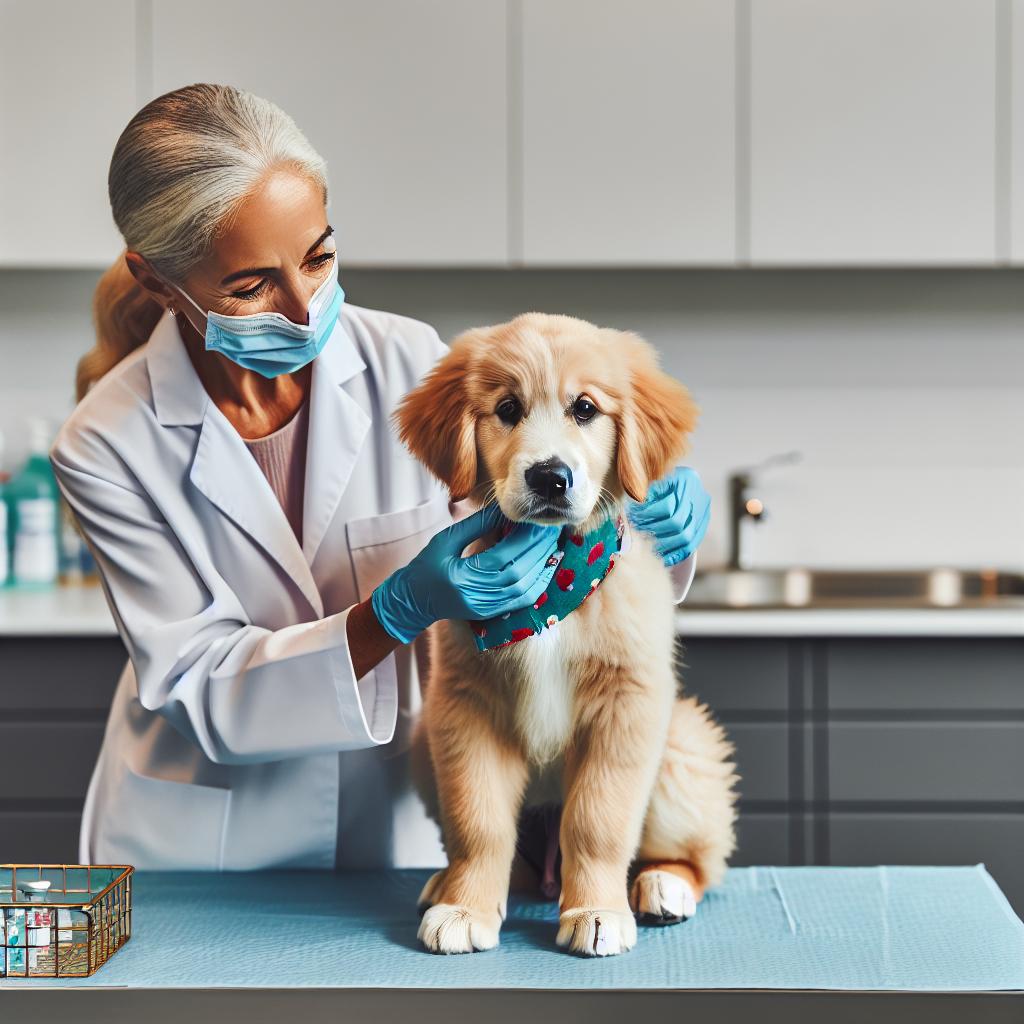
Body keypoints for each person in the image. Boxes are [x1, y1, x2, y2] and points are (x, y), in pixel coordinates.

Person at [50, 83, 711, 872]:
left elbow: (533, 547)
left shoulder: (408, 361)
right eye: (251, 286)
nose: (303, 309)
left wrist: (633, 524)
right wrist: (395, 612)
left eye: (319, 256)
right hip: (203, 841)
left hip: (392, 816)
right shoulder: (105, 444)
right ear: (158, 281)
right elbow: (201, 690)